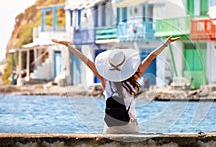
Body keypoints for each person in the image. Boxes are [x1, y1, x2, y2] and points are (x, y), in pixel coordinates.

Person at [52, 35, 180, 134]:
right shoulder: (133, 78)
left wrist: (69, 46)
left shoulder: (105, 81)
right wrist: (165, 44)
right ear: (126, 66)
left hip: (110, 127)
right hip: (129, 127)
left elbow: (87, 61)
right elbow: (151, 57)